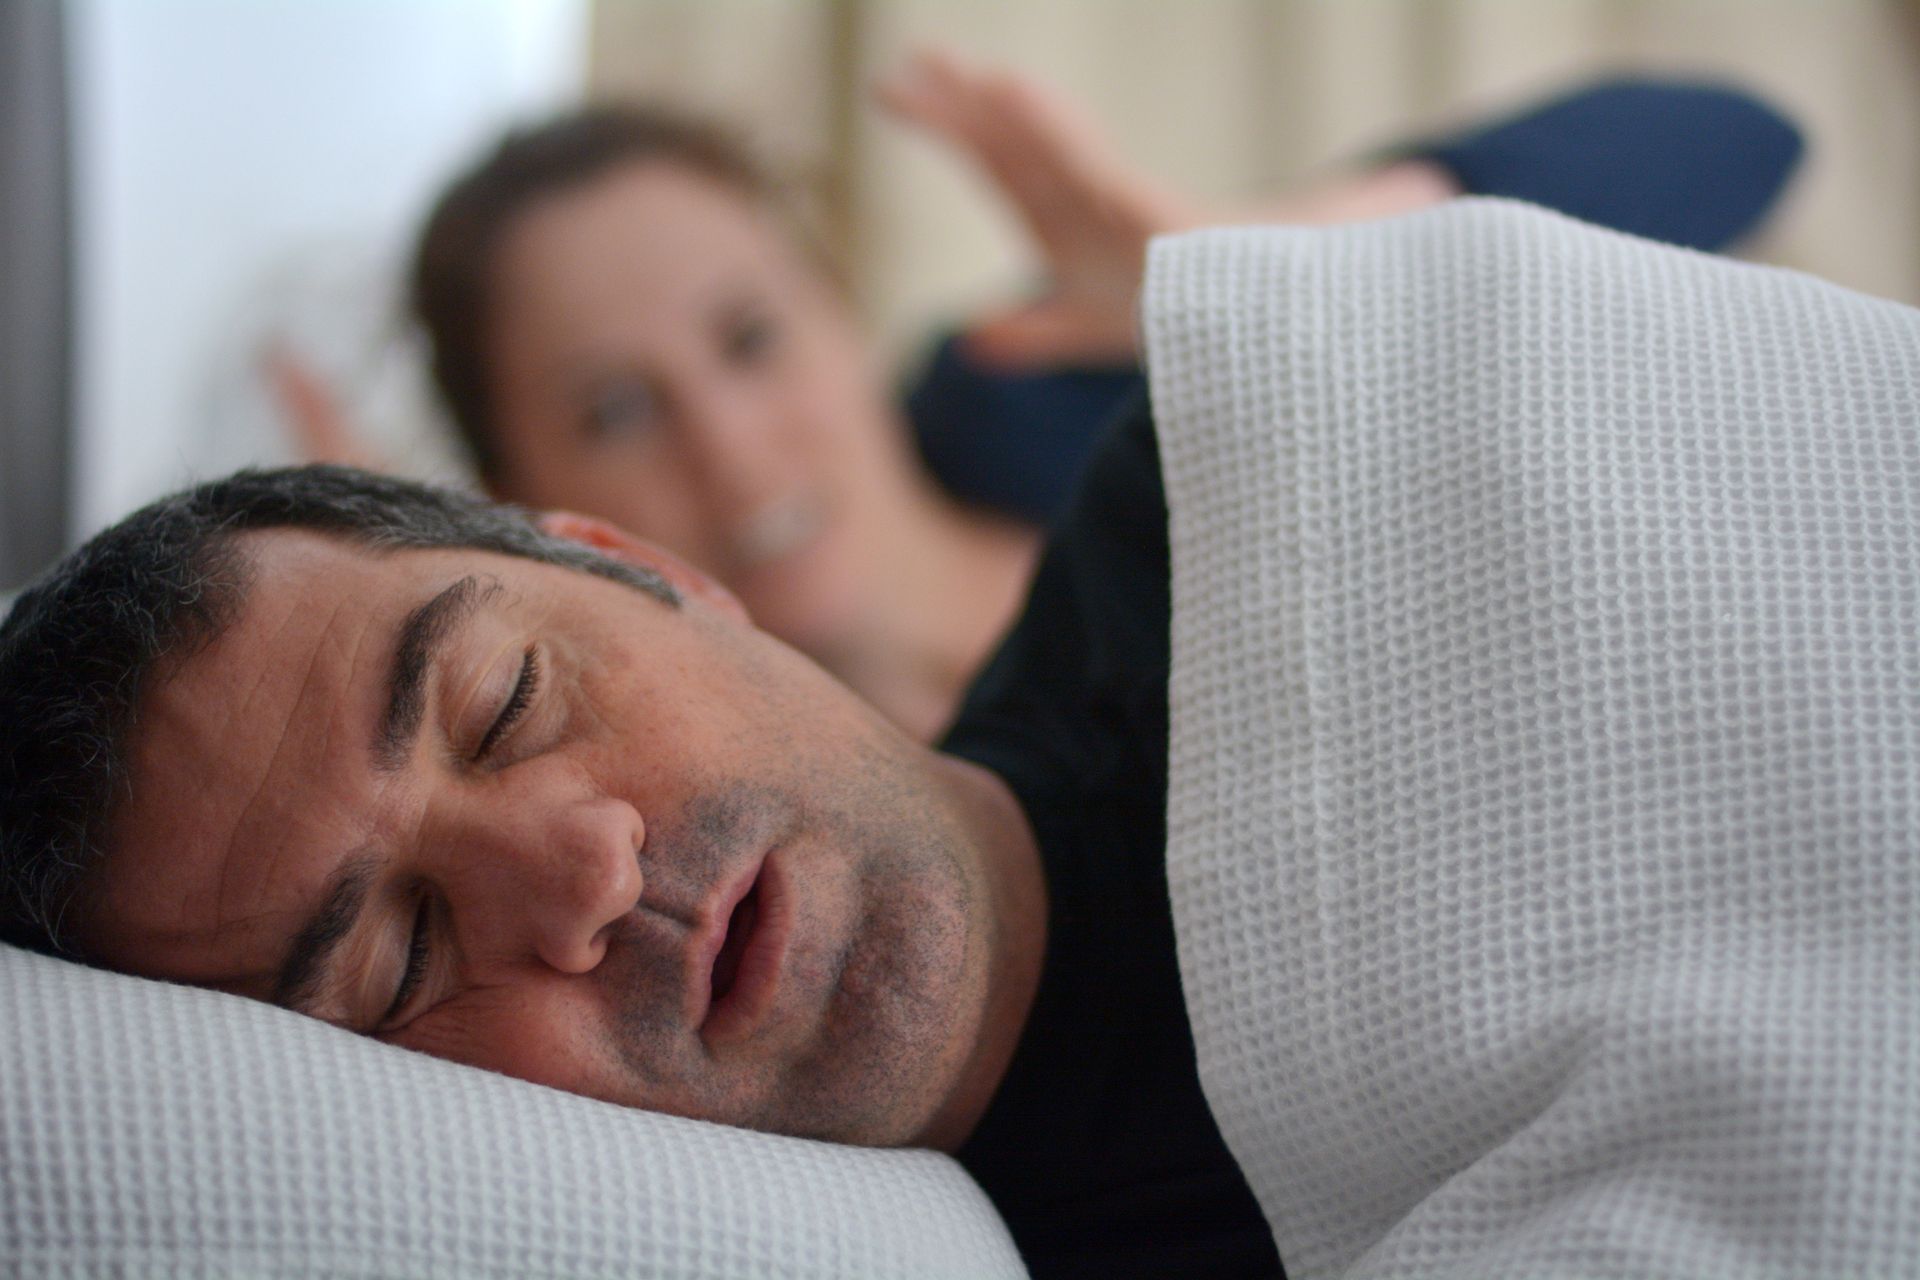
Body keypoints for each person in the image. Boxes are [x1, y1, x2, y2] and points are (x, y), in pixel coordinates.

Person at [9, 205, 1910, 1276]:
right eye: (402, 957)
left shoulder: (1260, 493)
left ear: (639, 570)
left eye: (507, 702)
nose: (579, 874)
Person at [402, 50, 1804, 739]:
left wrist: (1272, 267)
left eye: (752, 337)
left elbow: (1734, 146)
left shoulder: (1047, 390)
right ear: (528, 504)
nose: (727, 442)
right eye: (614, 413)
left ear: (840, 312)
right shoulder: (747, 864)